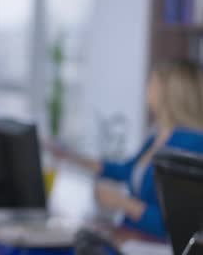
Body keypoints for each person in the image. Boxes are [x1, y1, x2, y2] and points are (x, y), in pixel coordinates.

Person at [54, 60, 203, 238]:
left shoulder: (191, 143)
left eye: (152, 83)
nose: (147, 89)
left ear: (168, 92)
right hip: (133, 235)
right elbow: (125, 170)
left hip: (154, 245)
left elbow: (177, 220)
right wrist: (71, 157)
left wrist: (123, 203)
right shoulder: (157, 137)